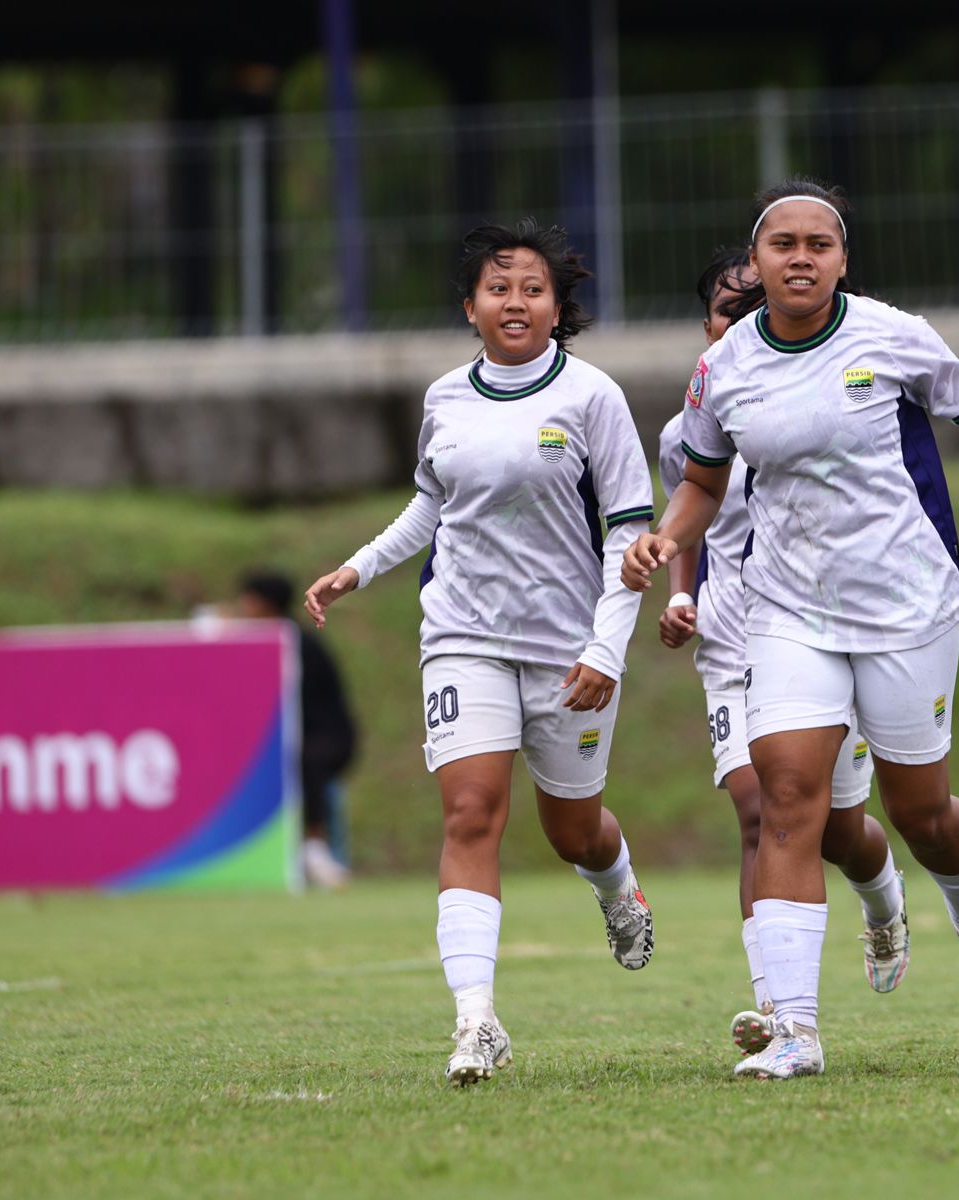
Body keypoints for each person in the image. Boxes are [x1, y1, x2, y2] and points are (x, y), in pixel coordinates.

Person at [622, 179, 959, 1080]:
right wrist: (668, 539)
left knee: (921, 815)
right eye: (785, 243)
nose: (802, 256)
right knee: (787, 802)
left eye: (820, 242)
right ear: (761, 258)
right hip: (786, 610)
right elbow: (701, 481)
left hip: (906, 605)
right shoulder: (725, 364)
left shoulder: (892, 334)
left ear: (843, 259)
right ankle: (795, 1032)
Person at [302, 219, 657, 1086]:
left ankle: (617, 888)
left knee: (573, 829)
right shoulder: (445, 400)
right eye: (498, 288)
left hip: (569, 646)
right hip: (461, 634)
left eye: (533, 289)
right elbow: (430, 509)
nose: (515, 302)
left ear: (557, 308)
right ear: (471, 307)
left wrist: (607, 649)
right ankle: (477, 1022)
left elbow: (630, 533)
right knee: (470, 814)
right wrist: (360, 566)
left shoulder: (593, 398)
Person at [654, 246, 907, 1059]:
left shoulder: (828, 401)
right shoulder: (687, 428)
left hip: (828, 628)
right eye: (730, 310)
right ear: (709, 328)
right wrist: (680, 593)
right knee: (757, 811)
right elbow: (694, 516)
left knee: (837, 828)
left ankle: (882, 896)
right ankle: (776, 1007)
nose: (744, 321)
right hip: (737, 639)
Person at [237, 570, 358, 890]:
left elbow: (294, 703)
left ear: (265, 605)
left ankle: (315, 846)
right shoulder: (269, 640)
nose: (242, 608)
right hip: (301, 736)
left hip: (329, 737)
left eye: (248, 601)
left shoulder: (294, 642)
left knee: (305, 759)